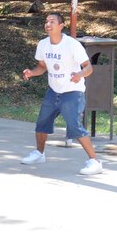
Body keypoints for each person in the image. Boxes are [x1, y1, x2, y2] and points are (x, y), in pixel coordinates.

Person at [20, 12, 103, 175]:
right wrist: (31, 72)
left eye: (52, 21)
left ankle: (94, 161)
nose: (48, 24)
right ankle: (39, 154)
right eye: (46, 21)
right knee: (42, 123)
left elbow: (88, 67)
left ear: (61, 26)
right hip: (53, 90)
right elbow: (42, 67)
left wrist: (79, 75)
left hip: (72, 92)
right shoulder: (43, 44)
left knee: (74, 126)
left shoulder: (72, 45)